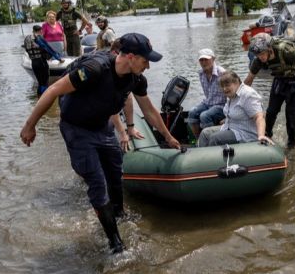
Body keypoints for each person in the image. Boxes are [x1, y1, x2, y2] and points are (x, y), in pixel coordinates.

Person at [19, 33, 180, 254]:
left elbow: (149, 110)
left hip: (102, 127)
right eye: (146, 61)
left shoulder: (136, 79)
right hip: (77, 129)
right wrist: (30, 125)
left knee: (115, 173)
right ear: (131, 57)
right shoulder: (94, 69)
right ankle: (115, 244)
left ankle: (119, 214)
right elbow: (54, 89)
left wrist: (168, 137)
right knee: (97, 183)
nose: (148, 67)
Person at [243, 33, 295, 149]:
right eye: (257, 54)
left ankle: (292, 144)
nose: (260, 57)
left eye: (262, 53)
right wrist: (239, 97)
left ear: (269, 49)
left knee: (290, 113)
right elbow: (249, 79)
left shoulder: (286, 52)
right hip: (281, 78)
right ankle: (266, 136)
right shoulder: (258, 60)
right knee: (271, 111)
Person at [198, 71, 273, 147]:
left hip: (244, 133)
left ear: (237, 82)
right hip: (230, 127)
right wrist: (227, 119)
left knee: (215, 138)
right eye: (222, 86)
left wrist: (261, 135)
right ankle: (201, 157)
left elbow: (259, 116)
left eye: (227, 85)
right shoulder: (231, 95)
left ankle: (212, 158)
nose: (224, 89)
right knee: (205, 133)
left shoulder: (247, 94)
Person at [186, 48, 226, 138]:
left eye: (206, 60)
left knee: (204, 116)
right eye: (201, 60)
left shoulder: (222, 73)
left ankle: (211, 140)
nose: (203, 62)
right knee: (192, 112)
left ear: (213, 59)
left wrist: (228, 115)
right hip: (208, 102)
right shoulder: (201, 74)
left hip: (221, 105)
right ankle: (197, 139)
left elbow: (232, 94)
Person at [24, 25, 64, 96]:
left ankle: (39, 101)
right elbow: (48, 49)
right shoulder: (39, 38)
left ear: (33, 30)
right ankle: (45, 98)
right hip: (41, 63)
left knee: (40, 82)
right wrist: (58, 58)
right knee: (45, 82)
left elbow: (27, 50)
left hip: (34, 63)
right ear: (40, 31)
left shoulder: (27, 38)